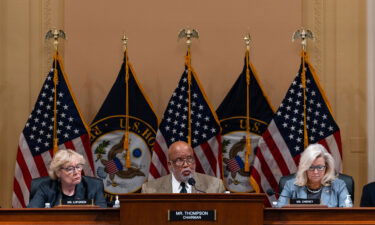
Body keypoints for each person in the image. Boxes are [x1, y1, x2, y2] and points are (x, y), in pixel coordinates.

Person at [277, 144, 350, 207]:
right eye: (311, 167)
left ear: (327, 167)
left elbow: (347, 213)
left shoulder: (339, 186)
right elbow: (279, 212)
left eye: (320, 167)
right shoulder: (290, 186)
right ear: (304, 168)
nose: (315, 172)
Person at [28, 149, 107, 208]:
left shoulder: (94, 186)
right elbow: (31, 214)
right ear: (58, 172)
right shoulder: (46, 187)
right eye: (70, 168)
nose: (76, 172)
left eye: (78, 167)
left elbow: (102, 216)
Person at [142, 141, 225, 193]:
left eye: (190, 159)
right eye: (179, 160)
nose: (186, 164)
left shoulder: (215, 186)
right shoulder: (149, 190)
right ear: (170, 165)